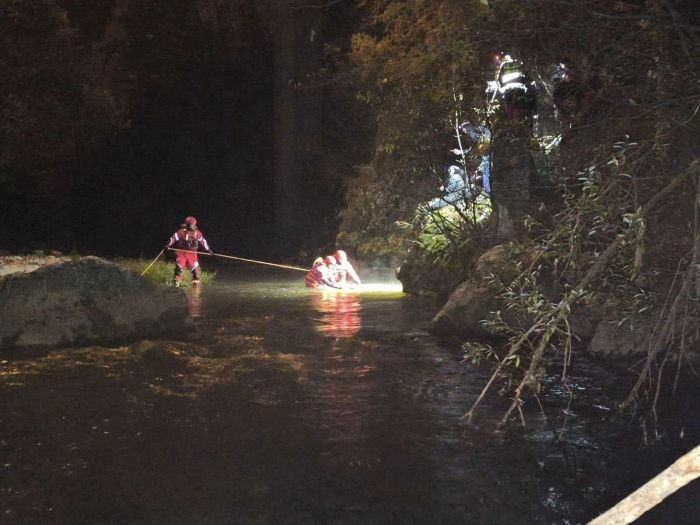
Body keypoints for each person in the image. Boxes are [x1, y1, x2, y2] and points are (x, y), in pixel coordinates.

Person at [165, 215, 213, 287]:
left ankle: (196, 291)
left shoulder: (197, 233)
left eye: (194, 225)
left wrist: (208, 250)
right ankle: (175, 286)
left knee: (196, 272)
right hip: (182, 253)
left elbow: (203, 241)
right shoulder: (181, 232)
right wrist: (167, 245)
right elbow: (173, 238)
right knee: (178, 269)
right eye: (191, 225)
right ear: (187, 225)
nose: (193, 226)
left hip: (192, 254)